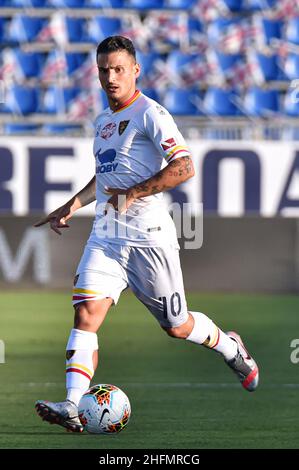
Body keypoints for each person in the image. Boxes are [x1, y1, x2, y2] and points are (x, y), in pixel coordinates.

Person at [34, 36, 259, 433]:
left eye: (118, 69)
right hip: (106, 235)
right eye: (104, 69)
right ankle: (71, 405)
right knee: (86, 312)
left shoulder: (151, 113)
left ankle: (229, 346)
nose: (110, 77)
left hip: (149, 238)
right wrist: (73, 204)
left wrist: (135, 193)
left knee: (177, 326)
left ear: (135, 70)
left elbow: (184, 166)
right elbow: (105, 177)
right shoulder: (103, 121)